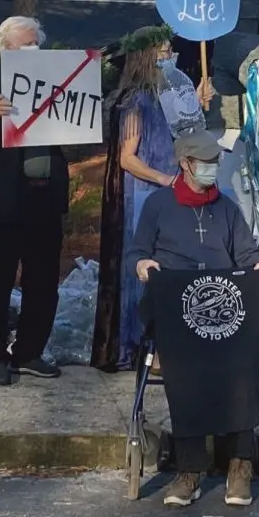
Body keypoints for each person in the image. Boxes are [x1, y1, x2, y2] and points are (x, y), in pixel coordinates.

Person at [127, 130, 259, 508]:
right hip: (178, 312)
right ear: (186, 164)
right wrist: (143, 265)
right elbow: (137, 252)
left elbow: (245, 252)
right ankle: (189, 469)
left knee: (244, 366)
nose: (213, 167)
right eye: (206, 162)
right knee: (186, 373)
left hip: (224, 309)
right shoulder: (158, 205)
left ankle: (241, 464)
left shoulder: (225, 207)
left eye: (215, 161)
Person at [92, 24, 213, 370]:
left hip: (175, 190)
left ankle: (167, 340)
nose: (169, 56)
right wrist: (163, 178)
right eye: (162, 51)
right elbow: (127, 157)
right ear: (146, 56)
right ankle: (138, 341)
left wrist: (197, 104)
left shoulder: (171, 94)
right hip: (145, 193)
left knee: (174, 265)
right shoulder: (135, 100)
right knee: (146, 268)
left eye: (170, 49)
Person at [0, 16, 69, 386]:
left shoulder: (56, 85)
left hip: (45, 201)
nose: (31, 51)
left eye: (34, 45)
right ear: (4, 48)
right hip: (5, 203)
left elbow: (79, 132)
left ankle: (29, 352)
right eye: (23, 45)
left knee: (43, 283)